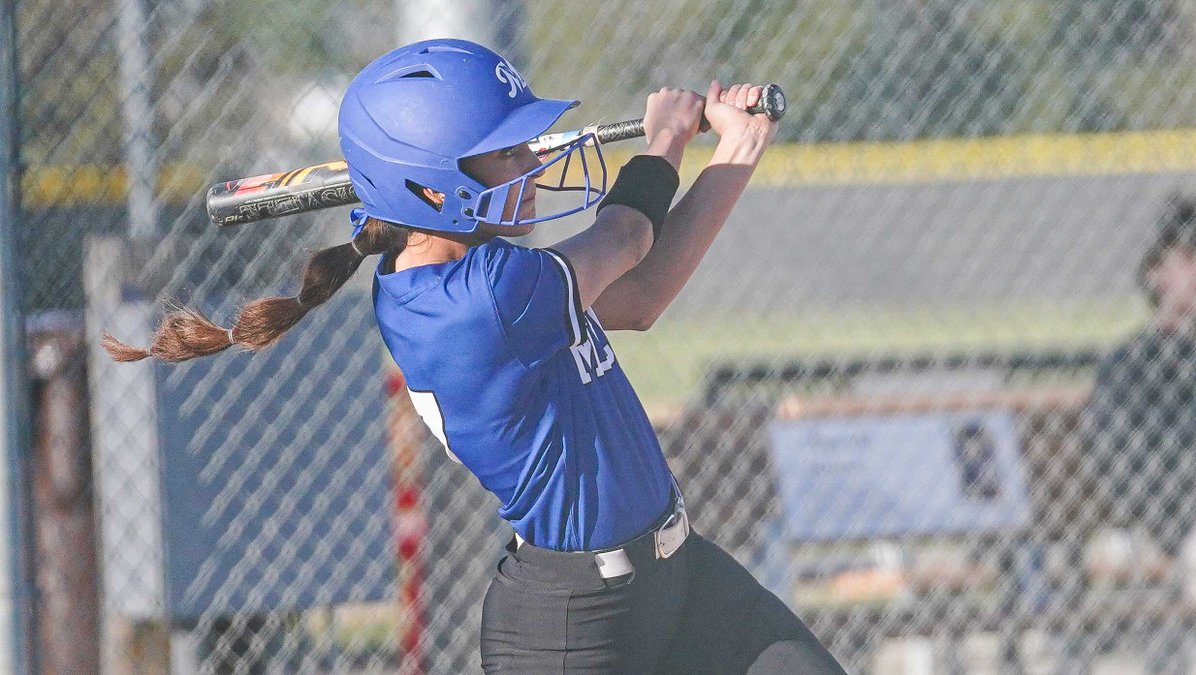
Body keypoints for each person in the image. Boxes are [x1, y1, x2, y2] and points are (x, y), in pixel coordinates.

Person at [104, 39, 846, 674]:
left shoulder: (480, 272)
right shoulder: (481, 300)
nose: (531, 162)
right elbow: (625, 238)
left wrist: (739, 149)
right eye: (507, 152)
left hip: (680, 581)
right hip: (574, 626)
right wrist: (667, 140)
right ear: (431, 188)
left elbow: (640, 295)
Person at [1072, 192, 1196, 673]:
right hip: (1166, 523)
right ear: (1155, 274)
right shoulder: (1130, 366)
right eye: (1188, 258)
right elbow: (1116, 462)